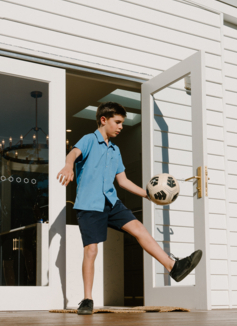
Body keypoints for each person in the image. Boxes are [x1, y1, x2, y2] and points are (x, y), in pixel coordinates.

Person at [57, 102, 202, 315]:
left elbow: (123, 181)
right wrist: (69, 165)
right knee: (92, 250)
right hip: (89, 205)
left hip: (112, 203)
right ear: (103, 120)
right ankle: (87, 299)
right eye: (117, 122)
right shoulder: (89, 140)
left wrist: (148, 195)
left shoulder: (115, 150)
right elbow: (73, 154)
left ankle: (174, 267)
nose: (121, 126)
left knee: (139, 229)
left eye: (123, 123)